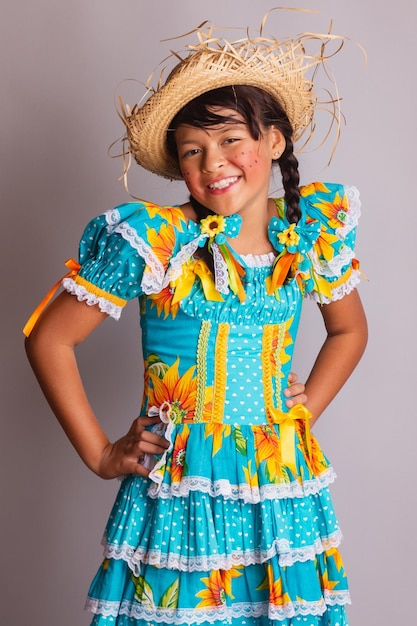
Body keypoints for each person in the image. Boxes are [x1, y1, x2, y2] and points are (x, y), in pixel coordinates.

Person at [24, 16, 367, 626]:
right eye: (192, 150)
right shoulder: (160, 240)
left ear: (276, 143)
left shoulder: (308, 234)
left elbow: (349, 330)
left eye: (233, 139)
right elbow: (51, 339)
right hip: (184, 484)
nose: (215, 163)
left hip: (279, 482)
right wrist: (102, 455)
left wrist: (302, 408)